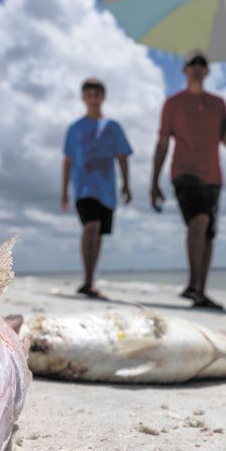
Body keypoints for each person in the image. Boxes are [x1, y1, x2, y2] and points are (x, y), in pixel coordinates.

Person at [150, 50, 226, 309]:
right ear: (184, 70)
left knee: (209, 234)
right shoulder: (173, 103)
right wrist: (154, 181)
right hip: (184, 173)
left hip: (213, 176)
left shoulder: (218, 103)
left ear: (208, 71)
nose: (198, 67)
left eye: (203, 63)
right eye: (193, 64)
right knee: (199, 220)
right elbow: (163, 142)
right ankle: (192, 283)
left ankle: (200, 291)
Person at [62, 77, 133, 299]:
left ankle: (90, 280)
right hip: (83, 188)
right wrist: (64, 190)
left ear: (103, 97)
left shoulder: (112, 127)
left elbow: (122, 156)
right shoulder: (75, 128)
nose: (93, 99)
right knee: (90, 226)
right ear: (83, 98)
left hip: (106, 190)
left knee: (99, 233)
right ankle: (87, 279)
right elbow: (67, 160)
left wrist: (127, 184)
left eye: (97, 95)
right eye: (89, 95)